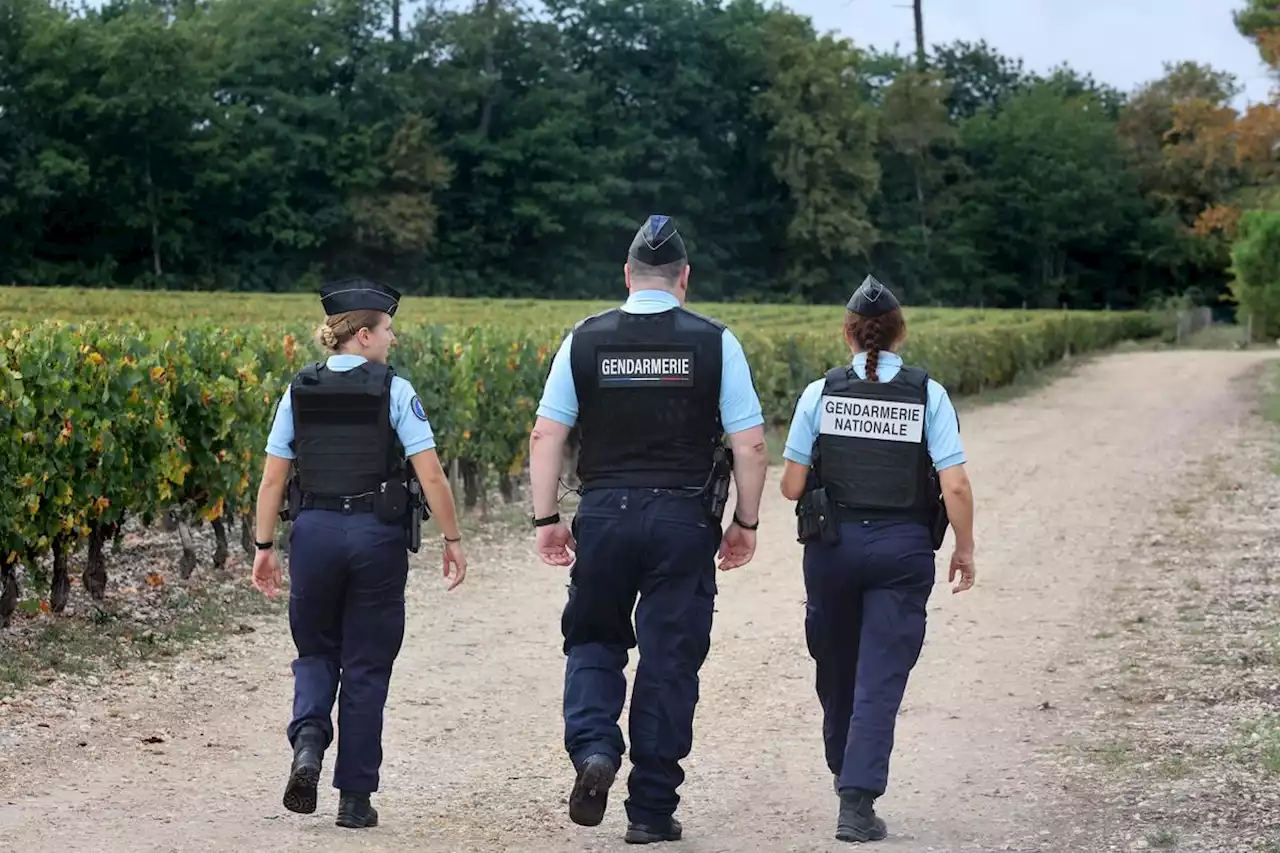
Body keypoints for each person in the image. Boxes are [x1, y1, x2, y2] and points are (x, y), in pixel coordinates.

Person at [526, 215, 770, 844]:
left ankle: (595, 751)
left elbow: (547, 434)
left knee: (594, 640)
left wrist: (548, 519)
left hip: (604, 515)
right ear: (684, 278)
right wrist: (744, 522)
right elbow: (750, 445)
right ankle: (652, 811)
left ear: (628, 276)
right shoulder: (718, 342)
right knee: (669, 660)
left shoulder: (583, 338)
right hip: (684, 521)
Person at [249, 276, 467, 830]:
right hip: (375, 536)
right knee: (367, 667)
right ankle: (354, 799)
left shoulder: (297, 390)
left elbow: (274, 480)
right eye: (388, 329)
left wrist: (263, 546)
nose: (393, 339)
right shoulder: (395, 390)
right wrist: (452, 538)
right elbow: (432, 474)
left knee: (316, 651)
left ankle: (308, 743)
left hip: (315, 533)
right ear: (364, 335)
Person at [778, 275, 975, 844]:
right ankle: (857, 802)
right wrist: (963, 547)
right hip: (903, 549)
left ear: (848, 333)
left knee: (836, 668)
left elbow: (791, 488)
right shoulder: (927, 394)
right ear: (899, 333)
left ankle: (845, 767)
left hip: (831, 550)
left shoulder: (820, 393)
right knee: (880, 677)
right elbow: (955, 486)